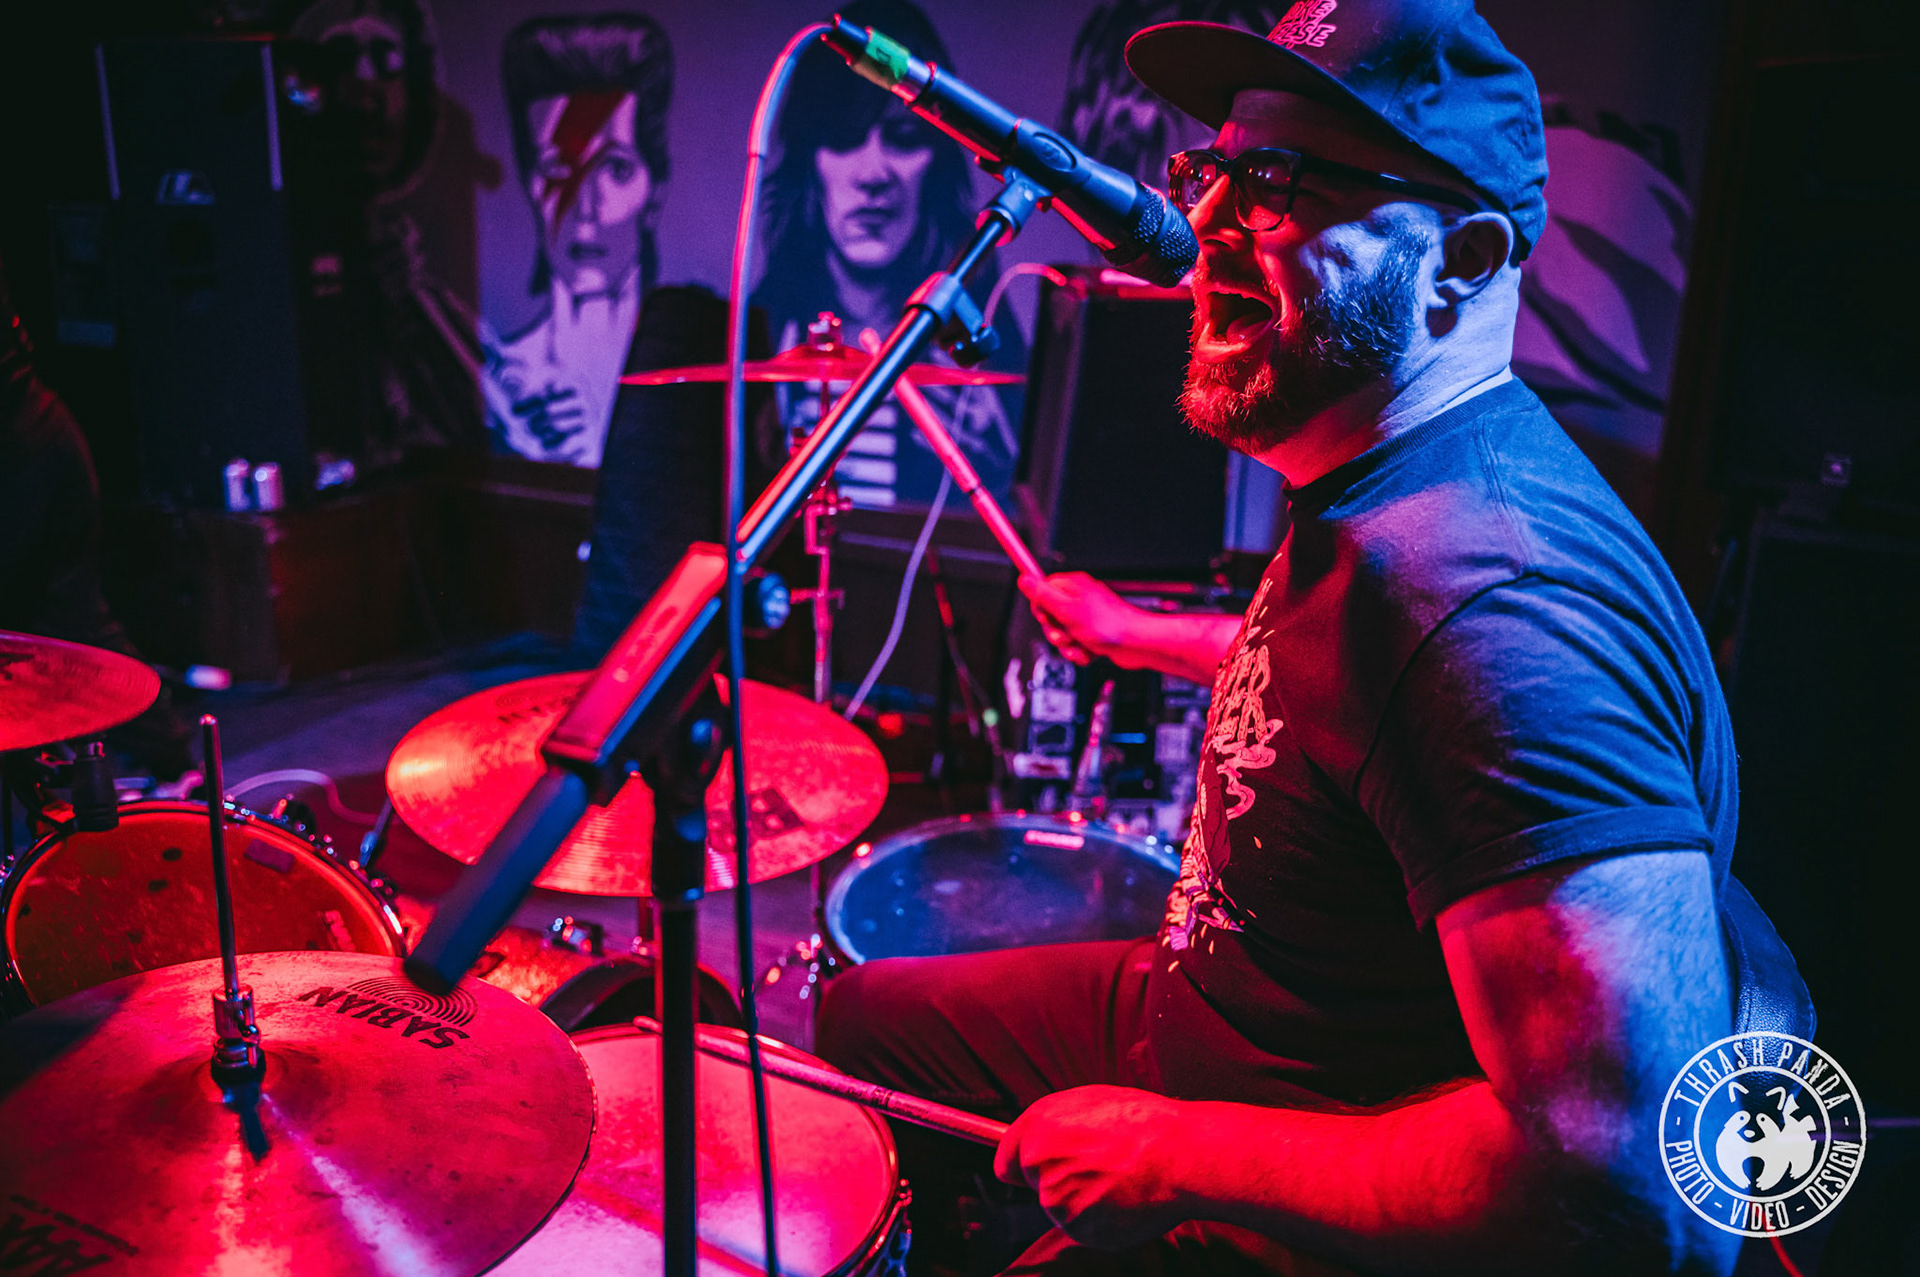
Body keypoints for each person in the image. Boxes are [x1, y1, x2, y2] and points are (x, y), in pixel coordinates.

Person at [817, 4, 1776, 1273]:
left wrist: (1176, 1154)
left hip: (1301, 1151)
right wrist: (1138, 631)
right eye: (1212, 169)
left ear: (1461, 258)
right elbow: (1346, 704)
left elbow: (1634, 1189)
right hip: (1215, 1013)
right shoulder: (1387, 472)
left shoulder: (1498, 616)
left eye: (1280, 182)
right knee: (854, 1029)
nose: (1209, 218)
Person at [752, 0, 1023, 510]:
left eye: (904, 139)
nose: (873, 175)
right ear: (809, 163)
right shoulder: (761, 335)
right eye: (843, 139)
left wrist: (998, 467)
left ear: (937, 165)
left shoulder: (986, 356)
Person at [484, 13, 671, 468]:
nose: (586, 207)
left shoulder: (696, 380)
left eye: (616, 168)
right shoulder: (503, 389)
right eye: (559, 170)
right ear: (530, 185)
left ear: (655, 189)